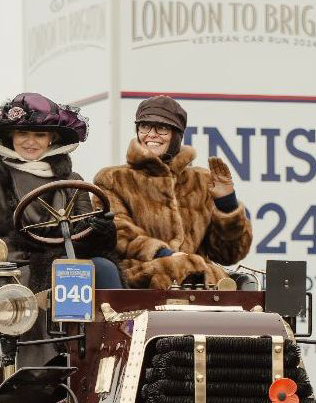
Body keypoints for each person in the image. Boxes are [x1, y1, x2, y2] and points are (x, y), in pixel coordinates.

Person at [0, 81, 123, 294]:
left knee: (104, 267)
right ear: (11, 136)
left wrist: (101, 230)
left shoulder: (72, 180)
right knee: (60, 275)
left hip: (63, 266)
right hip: (7, 272)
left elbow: (86, 238)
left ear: (52, 139)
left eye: (40, 135)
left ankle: (119, 324)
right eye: (22, 133)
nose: (31, 142)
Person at [94, 95, 252, 289]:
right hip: (140, 280)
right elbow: (117, 231)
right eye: (144, 127)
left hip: (199, 282)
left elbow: (229, 254)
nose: (151, 134)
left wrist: (227, 204)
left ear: (176, 135)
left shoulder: (201, 181)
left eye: (162, 128)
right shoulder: (113, 179)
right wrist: (164, 255)